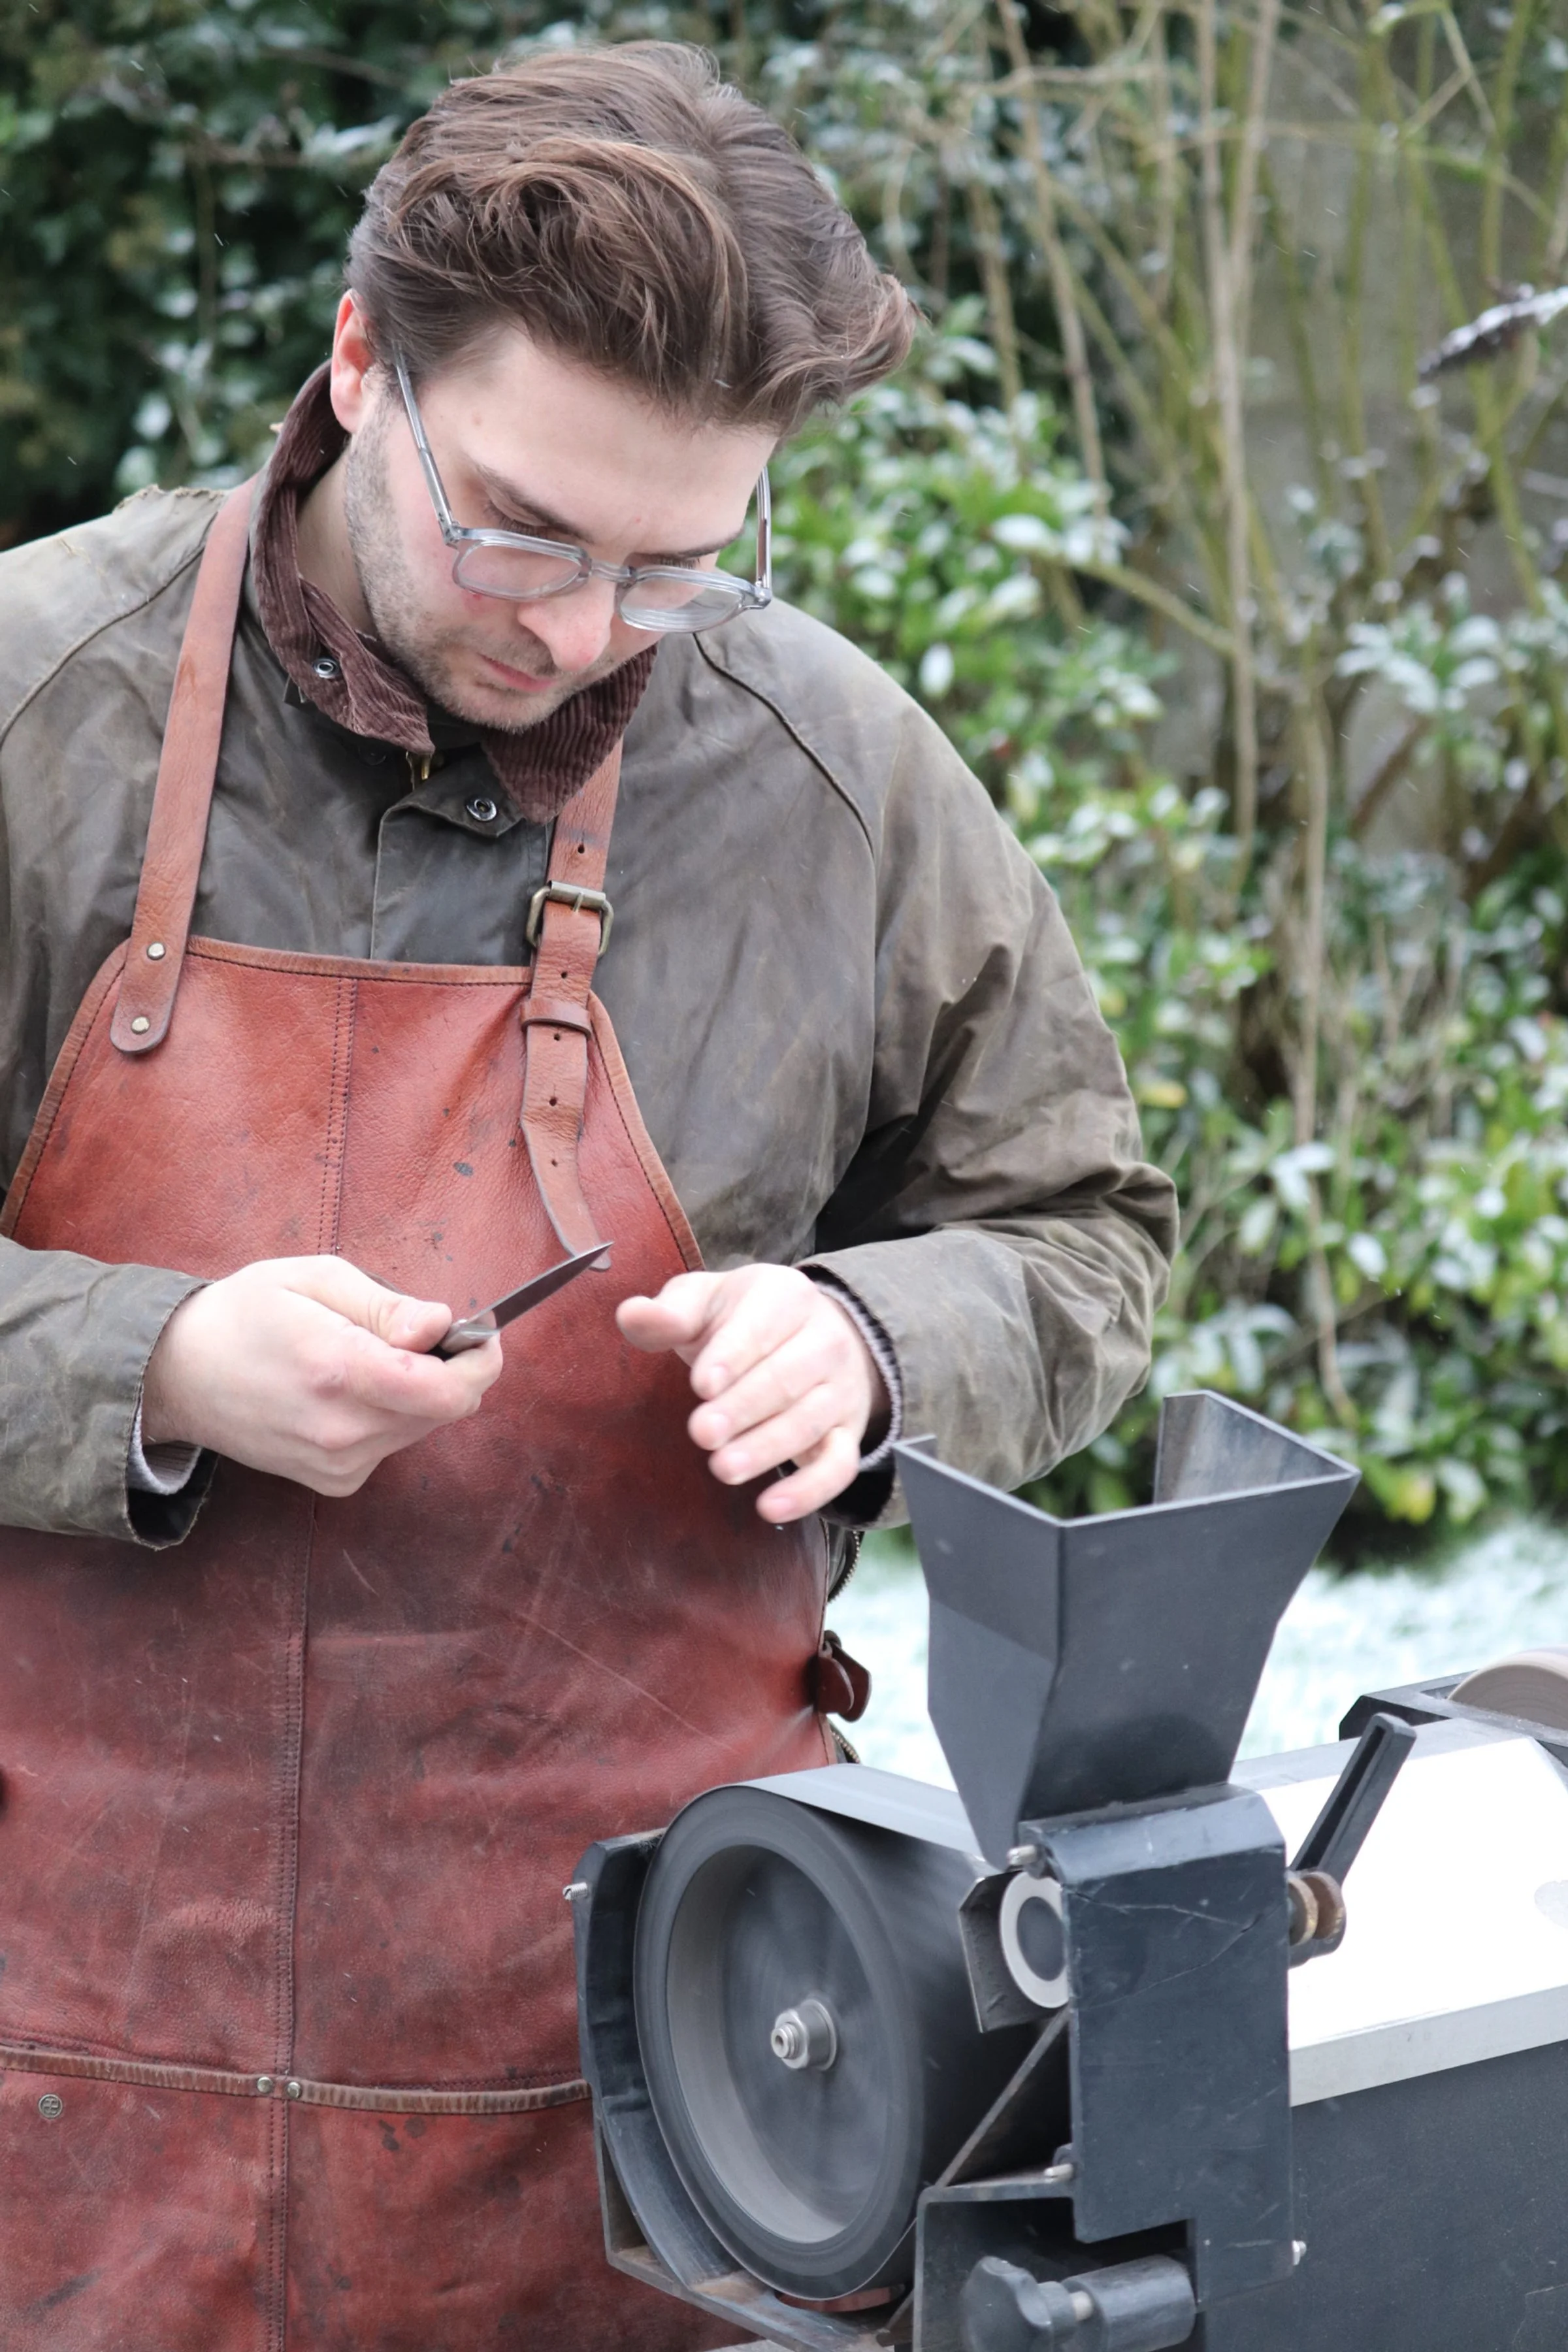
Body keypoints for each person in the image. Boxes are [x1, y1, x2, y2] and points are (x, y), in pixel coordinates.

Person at [0, 39, 1176, 2351]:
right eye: (524, 531)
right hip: (52, 2079)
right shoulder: (41, 703)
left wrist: (872, 1335)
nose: (581, 630)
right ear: (362, 369)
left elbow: (1086, 1232)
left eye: (679, 565)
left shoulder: (834, 781)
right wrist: (142, 1369)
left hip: (682, 2113)